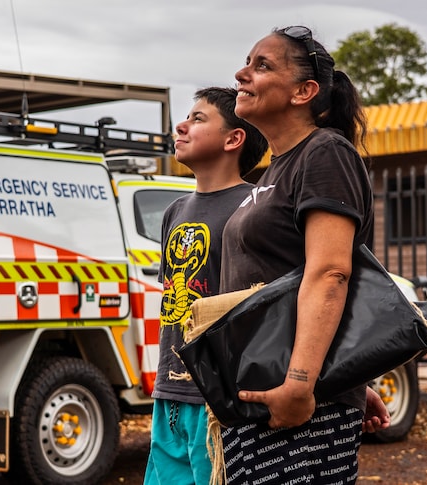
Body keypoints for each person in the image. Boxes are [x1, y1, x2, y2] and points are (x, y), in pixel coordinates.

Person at [217, 25, 387, 484]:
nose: (241, 74)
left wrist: (302, 382)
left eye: (262, 65)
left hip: (296, 398)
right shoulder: (278, 165)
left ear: (304, 91)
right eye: (247, 63)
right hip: (263, 390)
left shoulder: (324, 152)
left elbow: (331, 272)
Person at [143, 86, 268, 485]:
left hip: (218, 401)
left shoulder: (256, 209)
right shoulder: (174, 211)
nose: (182, 125)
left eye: (198, 119)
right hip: (169, 396)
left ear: (234, 139)